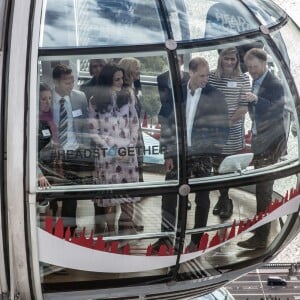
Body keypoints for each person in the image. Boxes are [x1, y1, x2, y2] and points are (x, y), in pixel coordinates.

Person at [153, 57, 229, 252]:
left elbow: (223, 127)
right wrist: (167, 155)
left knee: (202, 198)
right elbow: (166, 123)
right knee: (169, 196)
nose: (206, 79)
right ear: (191, 72)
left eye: (207, 75)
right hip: (178, 153)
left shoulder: (215, 95)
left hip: (203, 154)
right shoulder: (176, 91)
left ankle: (196, 240)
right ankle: (166, 237)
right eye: (202, 75)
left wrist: (212, 151)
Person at [237, 48, 287, 249]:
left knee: (264, 190)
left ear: (264, 64)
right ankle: (260, 229)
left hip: (271, 142)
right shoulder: (257, 81)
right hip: (261, 140)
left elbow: (277, 110)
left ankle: (261, 238)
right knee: (261, 189)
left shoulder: (274, 84)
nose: (251, 71)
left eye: (255, 67)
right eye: (249, 67)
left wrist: (256, 100)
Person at [89, 64, 140, 235]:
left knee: (128, 197)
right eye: (116, 79)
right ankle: (111, 234)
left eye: (121, 79)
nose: (120, 82)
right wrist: (111, 151)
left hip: (128, 154)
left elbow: (135, 123)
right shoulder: (95, 101)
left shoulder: (128, 96)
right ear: (107, 80)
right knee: (109, 198)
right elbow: (93, 131)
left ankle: (126, 231)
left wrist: (129, 147)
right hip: (107, 156)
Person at [209, 47, 251, 219]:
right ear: (221, 59)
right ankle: (223, 198)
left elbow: (244, 106)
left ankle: (225, 200)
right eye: (226, 59)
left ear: (237, 60)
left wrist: (228, 123)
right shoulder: (212, 77)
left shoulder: (243, 79)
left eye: (233, 59)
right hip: (213, 131)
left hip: (232, 132)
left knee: (227, 167)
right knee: (216, 166)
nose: (229, 62)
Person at [51, 63, 90, 235]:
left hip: (74, 152)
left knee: (71, 193)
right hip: (53, 154)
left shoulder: (80, 97)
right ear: (56, 83)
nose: (71, 86)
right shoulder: (45, 99)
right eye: (67, 83)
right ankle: (51, 225)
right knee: (53, 193)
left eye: (73, 81)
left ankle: (69, 229)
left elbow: (85, 124)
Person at [118, 57, 144, 232]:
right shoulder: (126, 93)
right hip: (128, 141)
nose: (139, 73)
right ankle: (125, 221)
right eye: (136, 70)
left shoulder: (132, 90)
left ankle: (128, 219)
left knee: (133, 179)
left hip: (134, 138)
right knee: (128, 179)